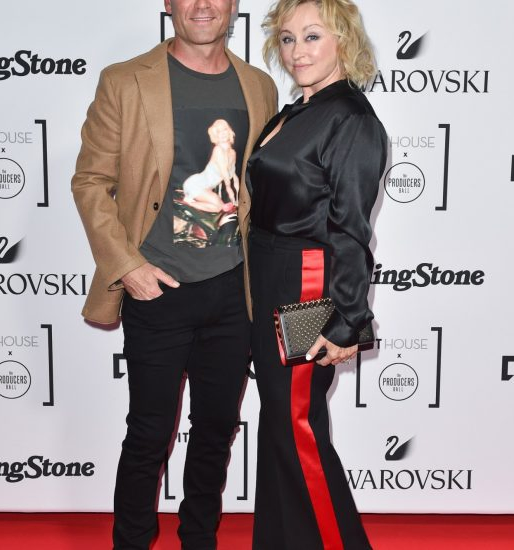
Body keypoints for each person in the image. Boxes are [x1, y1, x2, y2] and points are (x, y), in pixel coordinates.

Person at [71, 1, 277, 548]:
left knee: (216, 431)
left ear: (234, 5)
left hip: (233, 291)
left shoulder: (258, 86)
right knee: (149, 434)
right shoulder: (124, 80)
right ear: (167, 4)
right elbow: (90, 182)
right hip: (157, 289)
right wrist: (128, 266)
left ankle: (199, 540)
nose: (203, 6)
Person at [246, 0, 387, 548]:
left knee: (298, 427)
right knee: (280, 425)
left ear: (343, 41)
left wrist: (348, 321)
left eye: (312, 37)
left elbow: (351, 230)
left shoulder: (351, 120)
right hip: (270, 275)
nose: (297, 51)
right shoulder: (297, 111)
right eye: (287, 38)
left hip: (306, 284)